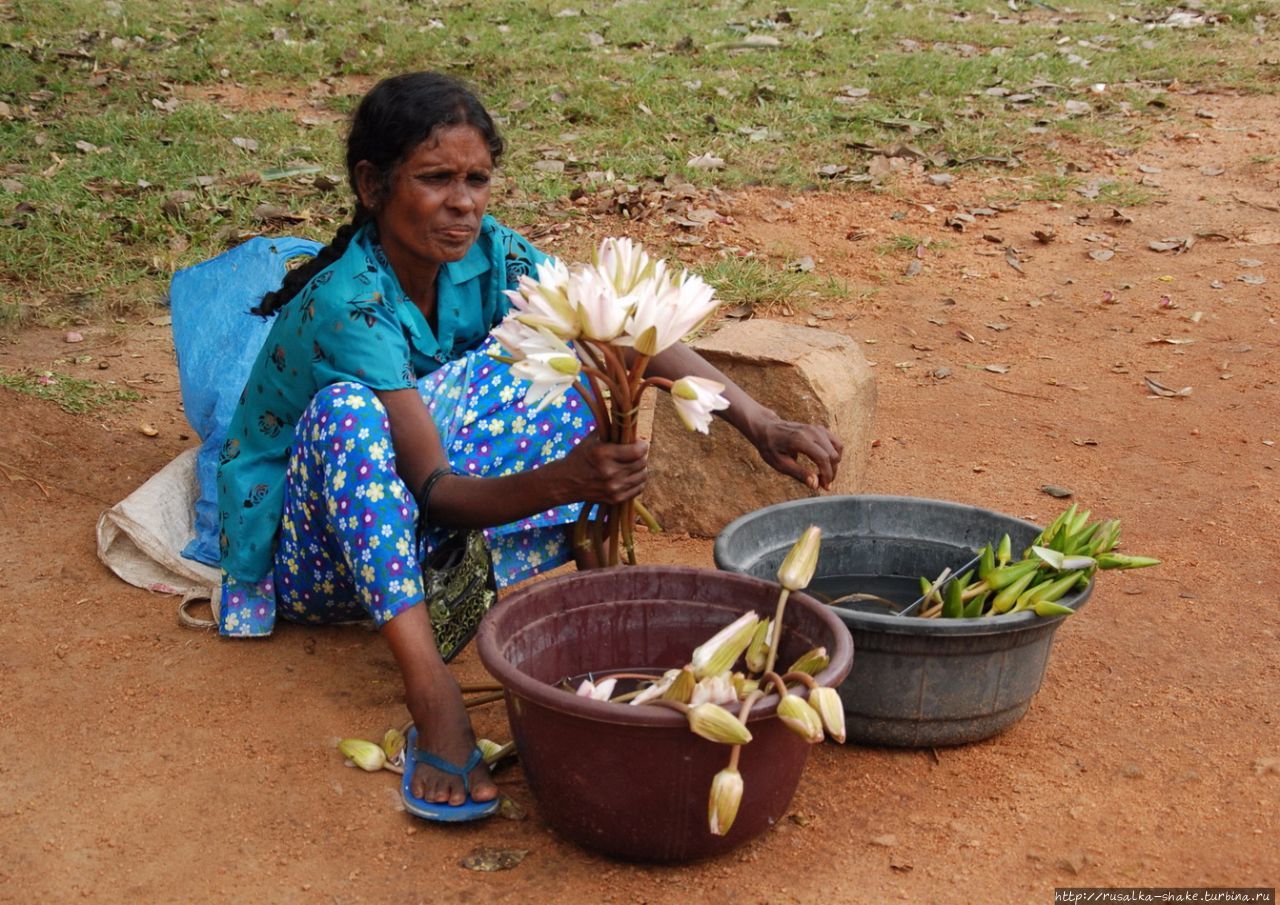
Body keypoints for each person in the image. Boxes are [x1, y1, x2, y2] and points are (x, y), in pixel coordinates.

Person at [215, 71, 843, 820]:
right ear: (372, 184)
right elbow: (435, 489)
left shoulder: (489, 256)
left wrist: (758, 420)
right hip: (328, 556)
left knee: (583, 354)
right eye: (436, 178)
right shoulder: (349, 301)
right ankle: (433, 691)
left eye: (477, 179)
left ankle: (592, 591)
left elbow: (614, 322)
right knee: (348, 413)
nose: (463, 202)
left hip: (422, 527)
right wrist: (564, 479)